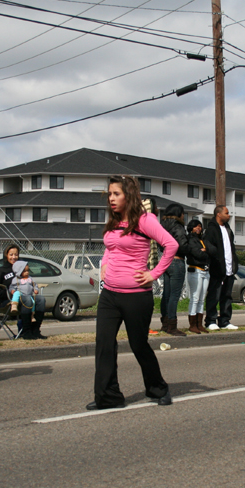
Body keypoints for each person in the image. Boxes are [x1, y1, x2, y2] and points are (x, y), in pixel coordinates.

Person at [88, 175, 178, 410]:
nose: (111, 199)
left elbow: (171, 245)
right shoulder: (114, 221)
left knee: (138, 345)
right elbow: (111, 246)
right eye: (109, 194)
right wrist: (104, 263)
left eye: (116, 194)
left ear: (129, 195)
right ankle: (108, 397)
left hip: (136, 295)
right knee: (104, 344)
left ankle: (158, 388)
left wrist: (153, 274)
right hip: (109, 295)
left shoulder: (144, 220)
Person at [0, 244, 47, 339]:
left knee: (41, 299)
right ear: (6, 255)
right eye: (11, 254)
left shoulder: (23, 269)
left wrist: (34, 288)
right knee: (27, 299)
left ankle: (36, 330)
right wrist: (8, 293)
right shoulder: (1, 271)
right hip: (9, 301)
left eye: (16, 255)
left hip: (26, 297)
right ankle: (26, 332)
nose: (14, 257)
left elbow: (29, 282)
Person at [204, 205, 239, 331]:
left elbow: (231, 248)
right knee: (214, 295)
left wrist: (235, 263)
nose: (229, 215)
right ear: (218, 214)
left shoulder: (228, 229)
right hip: (217, 269)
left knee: (227, 296)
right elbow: (208, 246)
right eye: (227, 213)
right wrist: (216, 257)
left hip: (229, 269)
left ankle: (225, 320)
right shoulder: (211, 229)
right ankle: (210, 320)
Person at [159, 203, 190, 336]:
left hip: (165, 260)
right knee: (174, 295)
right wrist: (190, 247)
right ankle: (172, 325)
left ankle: (165, 323)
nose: (184, 216)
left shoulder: (163, 226)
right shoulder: (178, 227)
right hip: (177, 260)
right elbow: (182, 245)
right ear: (179, 214)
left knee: (166, 294)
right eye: (183, 214)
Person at [185, 219, 210, 334]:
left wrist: (206, 250)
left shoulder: (202, 239)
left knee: (201, 298)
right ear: (191, 228)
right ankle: (192, 324)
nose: (198, 228)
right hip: (195, 270)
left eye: (200, 226)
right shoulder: (190, 239)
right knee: (195, 298)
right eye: (196, 226)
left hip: (206, 271)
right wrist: (206, 252)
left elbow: (212, 252)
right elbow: (197, 254)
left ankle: (199, 324)